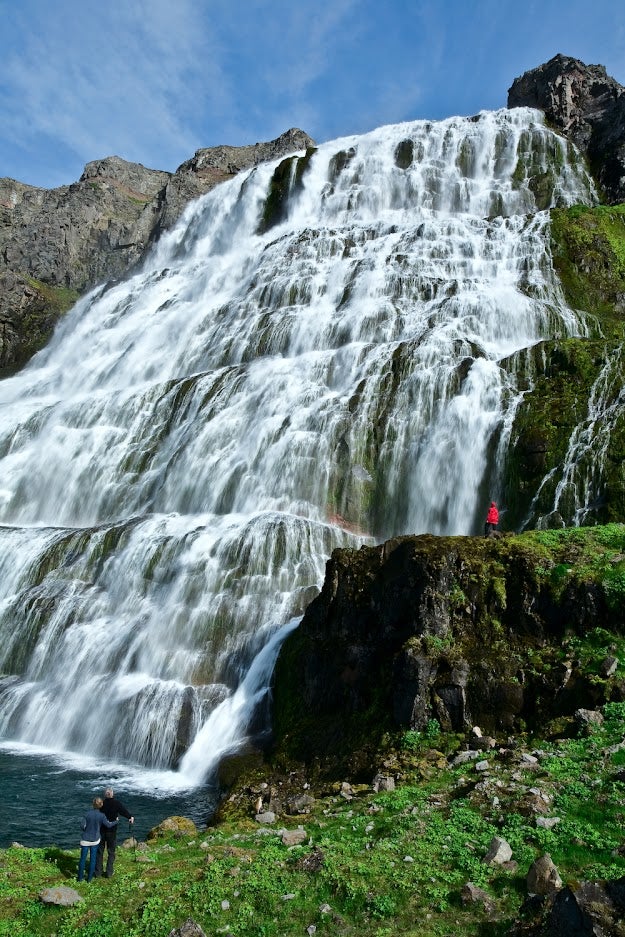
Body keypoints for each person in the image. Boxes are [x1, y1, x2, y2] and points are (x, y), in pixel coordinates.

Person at [95, 786, 134, 878]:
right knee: (111, 852)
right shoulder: (116, 803)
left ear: (105, 795)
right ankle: (109, 872)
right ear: (112, 794)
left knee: (99, 851)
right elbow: (124, 812)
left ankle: (98, 873)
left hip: (101, 831)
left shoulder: (101, 804)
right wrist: (130, 817)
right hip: (112, 831)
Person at [78, 797, 117, 882]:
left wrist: (86, 830)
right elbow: (108, 825)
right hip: (95, 839)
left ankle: (80, 878)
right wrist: (116, 821)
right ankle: (89, 879)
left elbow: (82, 826)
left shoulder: (87, 814)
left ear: (93, 804)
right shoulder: (102, 815)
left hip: (85, 839)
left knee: (82, 859)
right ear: (101, 805)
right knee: (93, 859)